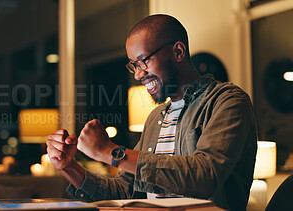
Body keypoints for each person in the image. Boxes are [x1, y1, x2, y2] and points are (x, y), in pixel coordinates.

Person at [46, 14, 257, 210]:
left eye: (144, 61)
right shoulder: (156, 118)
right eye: (134, 65)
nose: (138, 74)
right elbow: (127, 191)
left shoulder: (227, 101)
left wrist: (111, 152)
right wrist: (68, 167)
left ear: (178, 52)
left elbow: (206, 177)